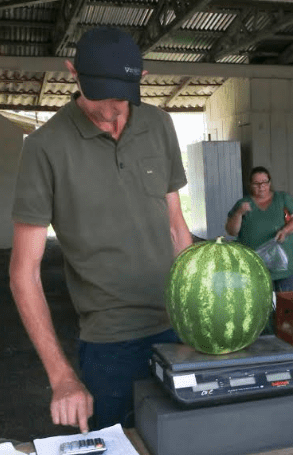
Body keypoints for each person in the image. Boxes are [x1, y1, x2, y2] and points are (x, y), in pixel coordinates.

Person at [9, 27, 193, 433]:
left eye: (121, 94)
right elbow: (24, 272)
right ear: (72, 72)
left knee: (190, 441)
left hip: (178, 331)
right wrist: (61, 377)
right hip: (110, 345)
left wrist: (200, 315)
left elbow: (177, 227)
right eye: (99, 93)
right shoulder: (45, 147)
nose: (112, 108)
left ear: (141, 79)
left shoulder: (159, 124)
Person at [225, 166, 293, 292]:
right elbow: (232, 231)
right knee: (262, 305)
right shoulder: (243, 204)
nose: (261, 186)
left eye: (265, 182)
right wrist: (238, 213)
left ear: (269, 182)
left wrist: (285, 231)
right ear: (250, 184)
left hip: (287, 265)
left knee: (286, 304)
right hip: (256, 267)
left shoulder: (282, 198)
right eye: (257, 183)